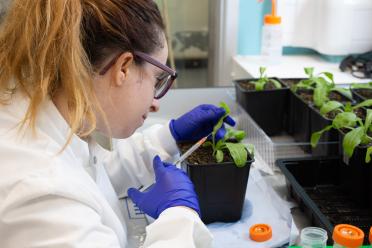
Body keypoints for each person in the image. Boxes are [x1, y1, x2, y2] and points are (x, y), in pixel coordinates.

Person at [0, 0, 236, 247]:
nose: (156, 103)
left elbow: (89, 174)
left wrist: (170, 137)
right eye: (157, 80)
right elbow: (65, 184)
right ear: (123, 67)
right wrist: (179, 218)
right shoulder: (39, 193)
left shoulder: (41, 113)